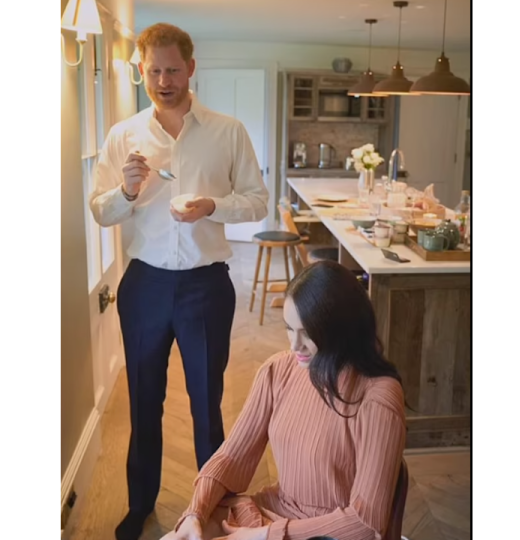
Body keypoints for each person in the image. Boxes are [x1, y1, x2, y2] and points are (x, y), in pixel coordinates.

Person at [87, 22, 270, 540]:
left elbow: (258, 200)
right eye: (153, 71)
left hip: (206, 286)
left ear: (191, 68)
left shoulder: (227, 130)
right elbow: (100, 212)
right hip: (144, 285)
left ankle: (209, 506)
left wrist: (213, 205)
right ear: (142, 70)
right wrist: (125, 190)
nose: (163, 80)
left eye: (172, 69)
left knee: (206, 401)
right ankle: (139, 504)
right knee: (144, 400)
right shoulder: (123, 135)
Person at [162, 260, 407, 540]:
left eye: (308, 333)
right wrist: (196, 511)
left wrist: (265, 536)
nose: (294, 345)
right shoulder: (277, 371)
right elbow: (231, 456)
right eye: (290, 328)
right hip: (273, 513)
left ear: (342, 329)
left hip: (331, 533)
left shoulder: (379, 398)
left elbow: (365, 523)